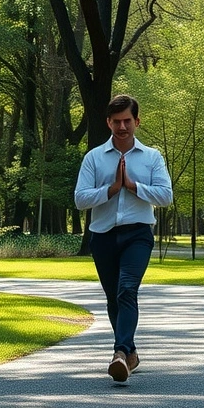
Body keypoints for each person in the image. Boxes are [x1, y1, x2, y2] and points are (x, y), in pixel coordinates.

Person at [74, 95, 173, 383]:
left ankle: (119, 352)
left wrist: (133, 186)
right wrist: (111, 189)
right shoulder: (93, 157)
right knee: (113, 298)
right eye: (116, 121)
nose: (122, 127)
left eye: (127, 121)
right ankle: (130, 353)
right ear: (108, 122)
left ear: (137, 122)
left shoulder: (152, 157)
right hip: (103, 236)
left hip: (138, 233)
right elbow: (80, 199)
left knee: (126, 290)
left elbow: (166, 196)